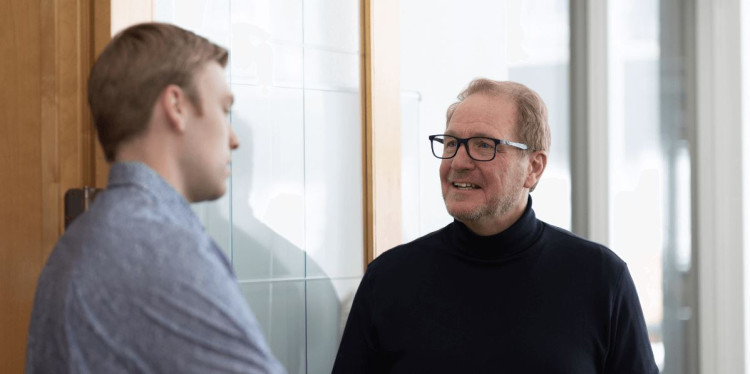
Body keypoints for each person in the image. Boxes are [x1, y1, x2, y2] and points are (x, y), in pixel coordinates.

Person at [332, 79, 658, 373]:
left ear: (533, 168)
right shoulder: (389, 279)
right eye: (451, 144)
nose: (459, 162)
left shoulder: (600, 278)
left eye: (484, 146)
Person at [26, 23, 285, 374]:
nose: (234, 138)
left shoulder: (75, 247)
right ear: (176, 105)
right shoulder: (158, 248)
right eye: (224, 109)